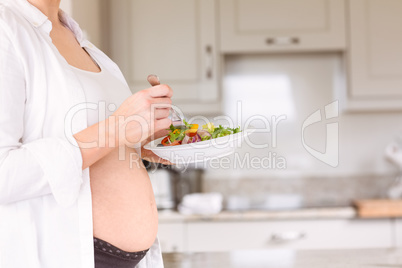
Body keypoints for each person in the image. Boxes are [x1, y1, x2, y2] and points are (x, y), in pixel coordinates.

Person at [0, 0, 172, 267]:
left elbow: (97, 139)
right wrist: (116, 129)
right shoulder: (6, 26)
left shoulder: (77, 37)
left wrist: (140, 142)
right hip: (71, 254)